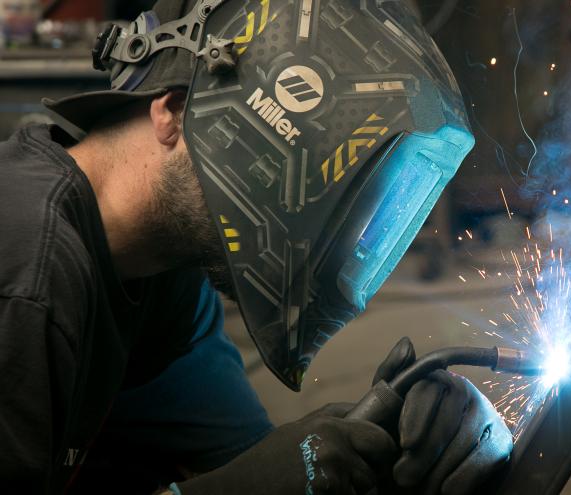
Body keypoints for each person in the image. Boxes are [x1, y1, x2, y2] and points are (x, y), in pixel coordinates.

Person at [0, 0, 513, 493]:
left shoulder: (162, 277)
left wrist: (389, 446)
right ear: (176, 108)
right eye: (298, 183)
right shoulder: (26, 280)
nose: (310, 233)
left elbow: (249, 459)